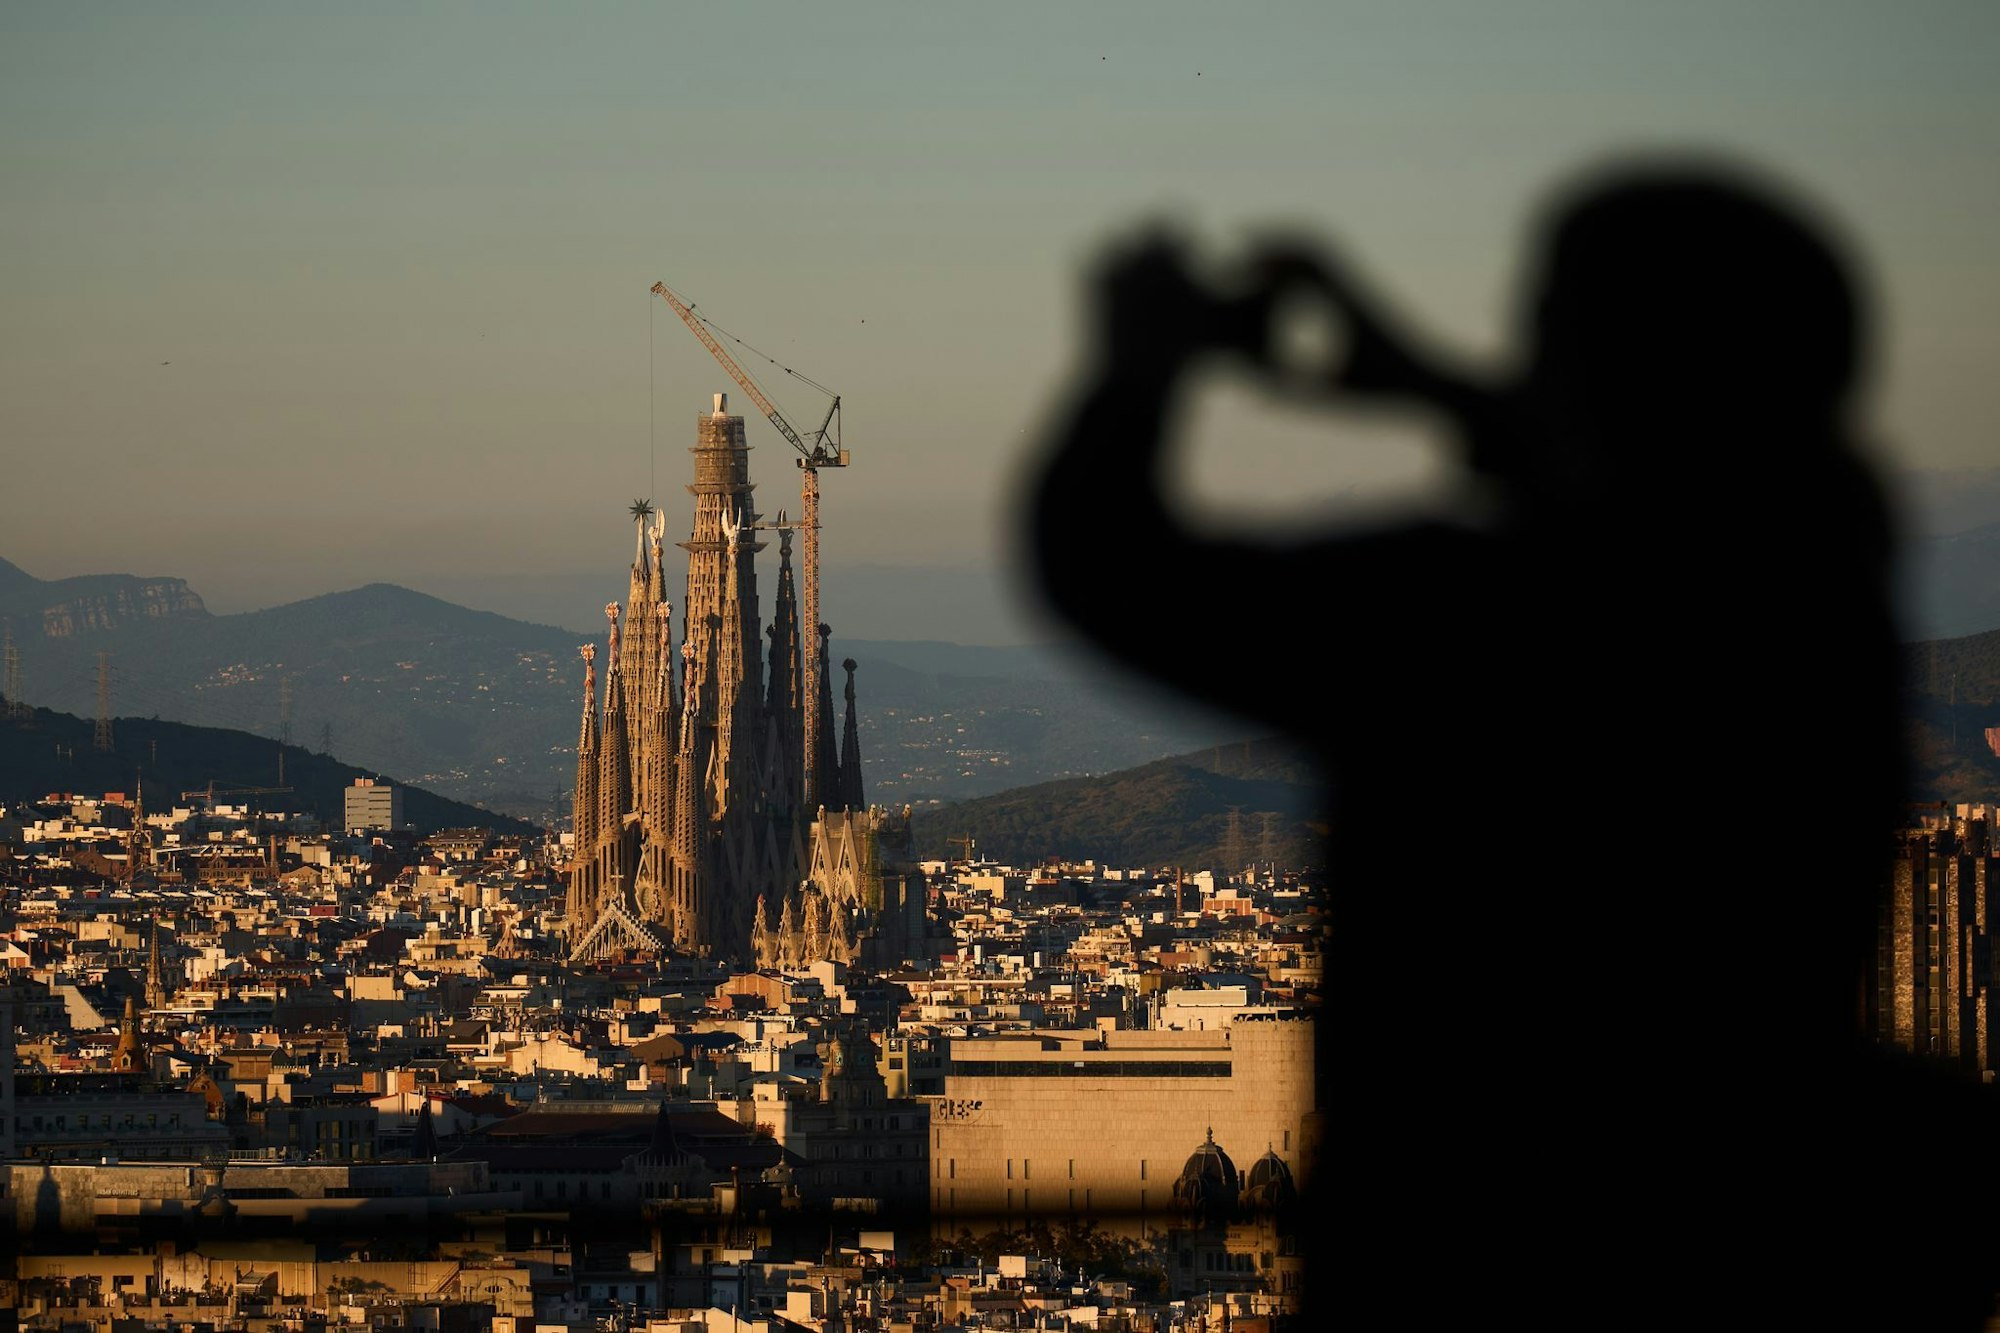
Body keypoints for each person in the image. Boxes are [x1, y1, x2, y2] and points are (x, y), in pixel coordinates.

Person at [1026, 156, 1998, 1329]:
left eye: (1542, 332)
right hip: (1771, 1243)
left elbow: (1111, 567)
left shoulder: (1476, 622)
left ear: (1576, 368)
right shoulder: (1820, 600)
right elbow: (1684, 480)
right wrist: (1430, 384)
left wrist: (1136, 369)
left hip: (1476, 1246)